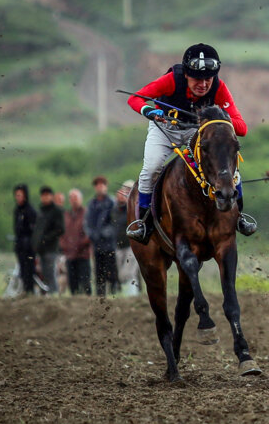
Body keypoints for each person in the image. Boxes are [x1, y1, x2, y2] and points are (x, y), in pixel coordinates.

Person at [125, 43, 256, 243]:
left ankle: (238, 217)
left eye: (208, 79)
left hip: (194, 133)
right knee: (151, 169)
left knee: (227, 165)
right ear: (186, 74)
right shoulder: (171, 80)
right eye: (197, 79)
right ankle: (143, 222)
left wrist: (218, 118)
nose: (203, 84)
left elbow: (242, 128)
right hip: (164, 131)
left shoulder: (219, 87)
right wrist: (149, 111)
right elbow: (135, 99)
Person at [85, 176, 120, 296]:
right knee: (98, 271)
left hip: (109, 244)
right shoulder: (91, 204)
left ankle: (114, 293)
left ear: (106, 186)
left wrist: (104, 232)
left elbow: (115, 222)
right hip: (97, 244)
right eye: (97, 185)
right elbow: (88, 222)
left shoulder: (111, 203)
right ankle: (100, 295)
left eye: (102, 184)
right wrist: (91, 234)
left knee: (111, 271)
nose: (100, 187)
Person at [31, 186, 65, 294]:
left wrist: (46, 238)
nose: (45, 198)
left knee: (50, 272)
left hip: (51, 247)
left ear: (51, 196)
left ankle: (53, 293)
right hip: (40, 248)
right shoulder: (41, 211)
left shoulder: (57, 211)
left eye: (47, 195)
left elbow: (60, 229)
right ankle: (47, 293)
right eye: (43, 196)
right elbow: (37, 229)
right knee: (44, 273)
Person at [59, 188, 92, 295]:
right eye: (72, 198)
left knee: (85, 283)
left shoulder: (87, 213)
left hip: (83, 254)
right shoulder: (66, 215)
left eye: (76, 198)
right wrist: (64, 245)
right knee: (73, 284)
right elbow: (62, 233)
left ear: (80, 199)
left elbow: (90, 233)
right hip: (69, 255)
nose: (74, 200)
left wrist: (79, 245)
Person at [112, 180, 141, 295]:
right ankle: (129, 296)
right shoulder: (114, 210)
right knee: (122, 274)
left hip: (131, 244)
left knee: (128, 273)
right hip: (119, 245)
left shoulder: (134, 207)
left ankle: (133, 295)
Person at [13, 184, 38, 295]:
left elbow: (34, 230)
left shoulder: (31, 211)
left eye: (20, 195)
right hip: (20, 245)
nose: (18, 197)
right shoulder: (17, 211)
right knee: (22, 271)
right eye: (16, 195)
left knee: (29, 270)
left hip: (29, 247)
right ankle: (25, 291)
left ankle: (30, 292)